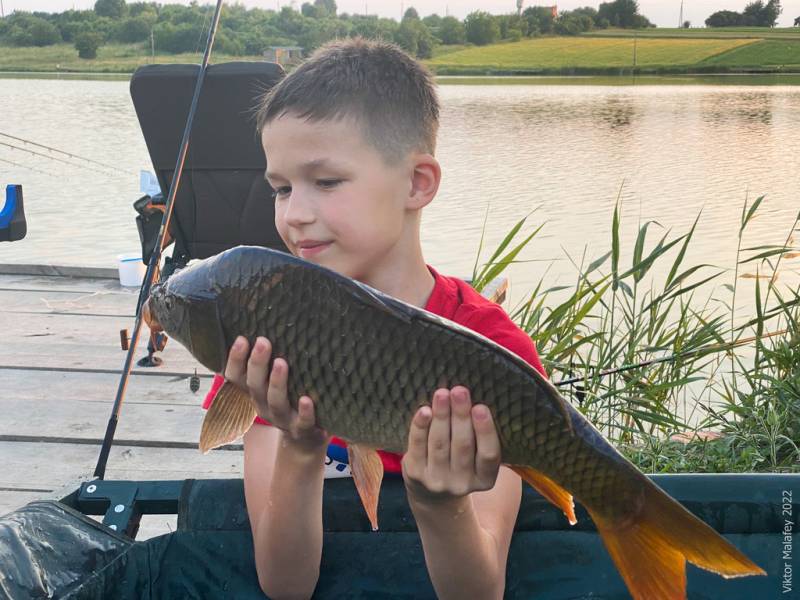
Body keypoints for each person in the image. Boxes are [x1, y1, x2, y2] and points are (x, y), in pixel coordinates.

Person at [202, 38, 548, 600]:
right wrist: (299, 444)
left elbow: (479, 593)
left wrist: (440, 504)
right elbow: (285, 586)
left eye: (327, 182)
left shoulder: (492, 348)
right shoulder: (267, 334)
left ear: (417, 183)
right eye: (281, 188)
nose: (295, 214)